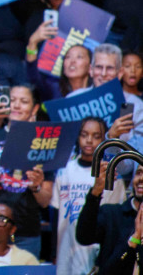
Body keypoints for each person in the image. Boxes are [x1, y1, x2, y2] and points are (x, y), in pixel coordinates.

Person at [0, 84, 50, 257]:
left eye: (23, 101)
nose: (16, 105)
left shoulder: (45, 141)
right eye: (12, 100)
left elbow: (45, 201)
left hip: (24, 233)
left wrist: (36, 186)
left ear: (35, 108)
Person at [51, 117, 126, 275]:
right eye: (84, 135)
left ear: (104, 138)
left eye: (96, 136)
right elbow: (56, 213)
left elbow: (117, 219)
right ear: (77, 137)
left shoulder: (111, 173)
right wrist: (54, 253)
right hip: (66, 251)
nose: (89, 140)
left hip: (97, 252)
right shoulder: (65, 170)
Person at [76, 162, 143, 273]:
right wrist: (95, 193)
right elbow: (83, 237)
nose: (141, 178)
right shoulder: (111, 214)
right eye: (139, 173)